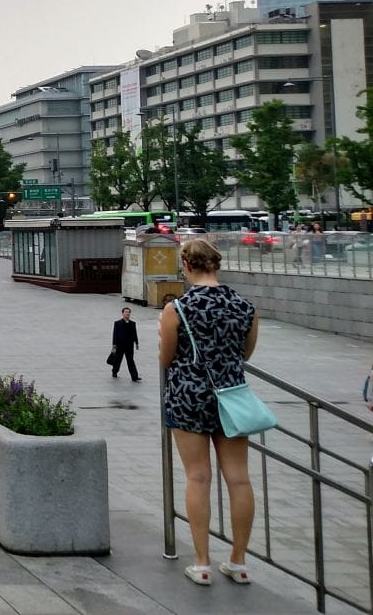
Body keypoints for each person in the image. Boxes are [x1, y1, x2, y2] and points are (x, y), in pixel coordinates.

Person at [159, 237, 259, 587]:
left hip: (189, 396)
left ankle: (202, 562)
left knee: (197, 477)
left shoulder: (178, 309)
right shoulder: (244, 306)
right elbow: (246, 354)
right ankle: (239, 561)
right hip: (231, 396)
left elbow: (165, 358)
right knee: (239, 478)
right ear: (216, 264)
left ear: (186, 266)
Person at [110, 307, 140, 381]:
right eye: (126, 312)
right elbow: (115, 334)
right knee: (118, 360)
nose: (127, 313)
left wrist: (136, 343)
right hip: (120, 345)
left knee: (130, 361)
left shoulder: (133, 323)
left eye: (129, 312)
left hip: (129, 346)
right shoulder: (117, 323)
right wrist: (114, 345)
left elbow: (135, 334)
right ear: (122, 313)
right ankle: (114, 371)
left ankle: (134, 377)